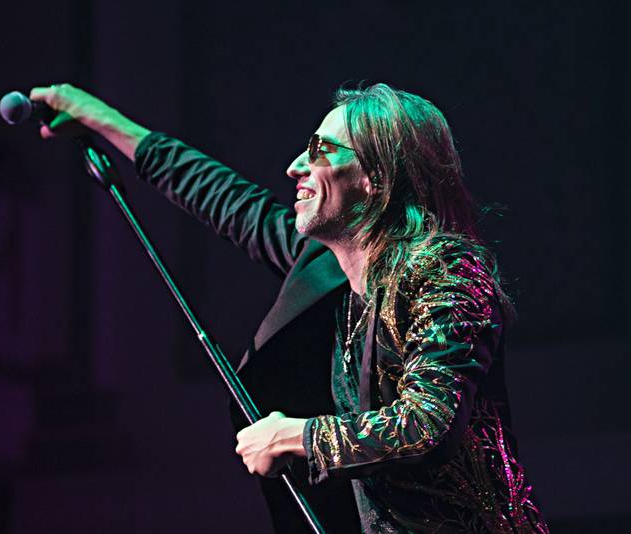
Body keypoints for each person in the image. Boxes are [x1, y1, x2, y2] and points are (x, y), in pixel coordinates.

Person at [29, 82, 549, 533]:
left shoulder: (443, 269)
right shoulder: (329, 272)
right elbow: (223, 197)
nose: (295, 165)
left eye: (321, 149)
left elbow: (430, 423)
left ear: (376, 177)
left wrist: (296, 434)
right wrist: (99, 118)